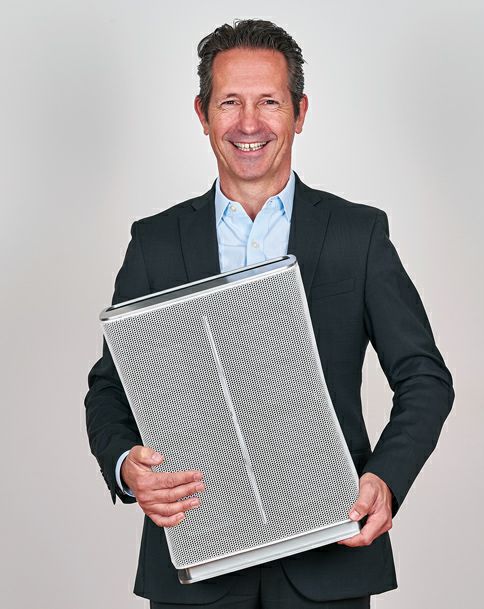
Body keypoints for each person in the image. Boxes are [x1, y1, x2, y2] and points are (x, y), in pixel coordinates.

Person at [85, 19, 454, 609]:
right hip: (196, 560)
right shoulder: (155, 243)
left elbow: (425, 378)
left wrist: (385, 478)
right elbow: (110, 389)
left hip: (332, 555)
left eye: (269, 102)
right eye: (230, 102)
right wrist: (129, 467)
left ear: (300, 112)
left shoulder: (357, 235)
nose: (249, 123)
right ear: (203, 114)